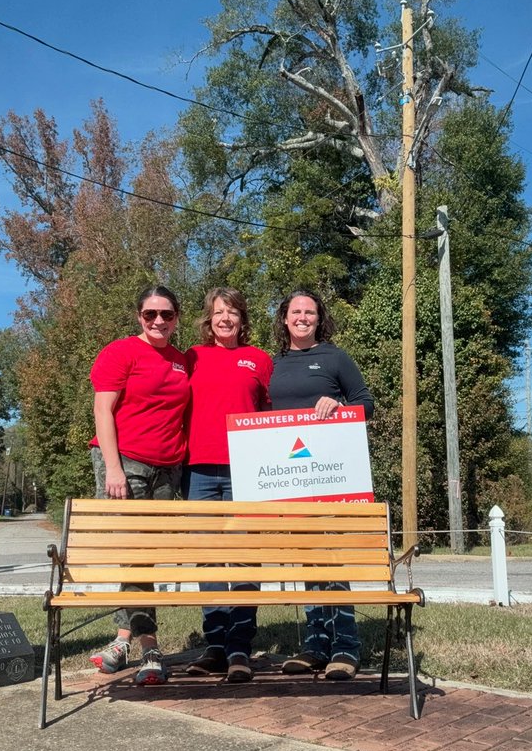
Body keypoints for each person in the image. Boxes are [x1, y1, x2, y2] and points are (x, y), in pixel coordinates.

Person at [268, 288, 374, 681]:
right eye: (295, 311)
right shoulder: (273, 363)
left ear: (318, 318)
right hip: (287, 476)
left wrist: (342, 408)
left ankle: (346, 646)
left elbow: (367, 402)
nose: (302, 317)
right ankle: (314, 645)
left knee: (333, 559)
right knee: (307, 560)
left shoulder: (334, 357)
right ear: (284, 318)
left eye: (309, 312)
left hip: (329, 474)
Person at [88, 285, 189, 685]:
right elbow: (102, 409)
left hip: (168, 467)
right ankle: (146, 647)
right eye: (150, 314)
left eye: (166, 314)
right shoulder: (120, 352)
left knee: (149, 556)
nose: (158, 321)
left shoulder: (183, 361)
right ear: (139, 317)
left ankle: (122, 640)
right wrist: (113, 469)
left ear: (177, 318)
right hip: (124, 461)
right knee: (132, 554)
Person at [181, 287, 273, 683]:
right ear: (209, 318)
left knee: (245, 557)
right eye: (219, 312)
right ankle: (216, 642)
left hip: (246, 471)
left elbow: (276, 413)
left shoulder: (260, 360)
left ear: (242, 319)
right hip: (198, 469)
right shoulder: (192, 357)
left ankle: (240, 645)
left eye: (233, 312)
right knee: (208, 558)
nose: (225, 318)